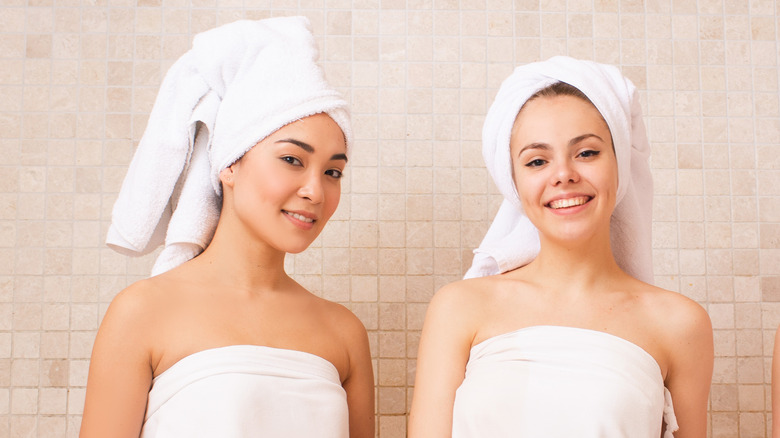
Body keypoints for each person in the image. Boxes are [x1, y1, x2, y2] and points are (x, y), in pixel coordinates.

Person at [79, 17, 374, 438]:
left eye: (333, 172)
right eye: (292, 159)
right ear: (230, 164)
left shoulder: (343, 332)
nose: (315, 191)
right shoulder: (143, 312)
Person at [408, 56, 713, 438]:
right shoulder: (459, 307)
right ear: (513, 182)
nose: (564, 174)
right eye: (537, 161)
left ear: (619, 165)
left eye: (586, 153)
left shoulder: (679, 323)